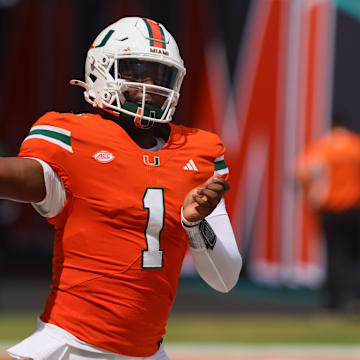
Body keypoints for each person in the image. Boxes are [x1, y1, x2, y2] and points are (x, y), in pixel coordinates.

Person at [3, 17, 242, 360]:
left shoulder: (198, 152)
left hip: (147, 353)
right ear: (102, 71)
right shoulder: (74, 138)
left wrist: (194, 223)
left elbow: (226, 277)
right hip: (67, 346)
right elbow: (25, 175)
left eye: (160, 76)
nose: (149, 85)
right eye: (136, 72)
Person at [293, 117, 360, 310]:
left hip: (330, 210)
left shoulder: (322, 147)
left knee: (333, 255)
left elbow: (298, 173)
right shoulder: (356, 146)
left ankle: (332, 303)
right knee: (355, 256)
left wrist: (310, 195)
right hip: (355, 210)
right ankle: (356, 297)